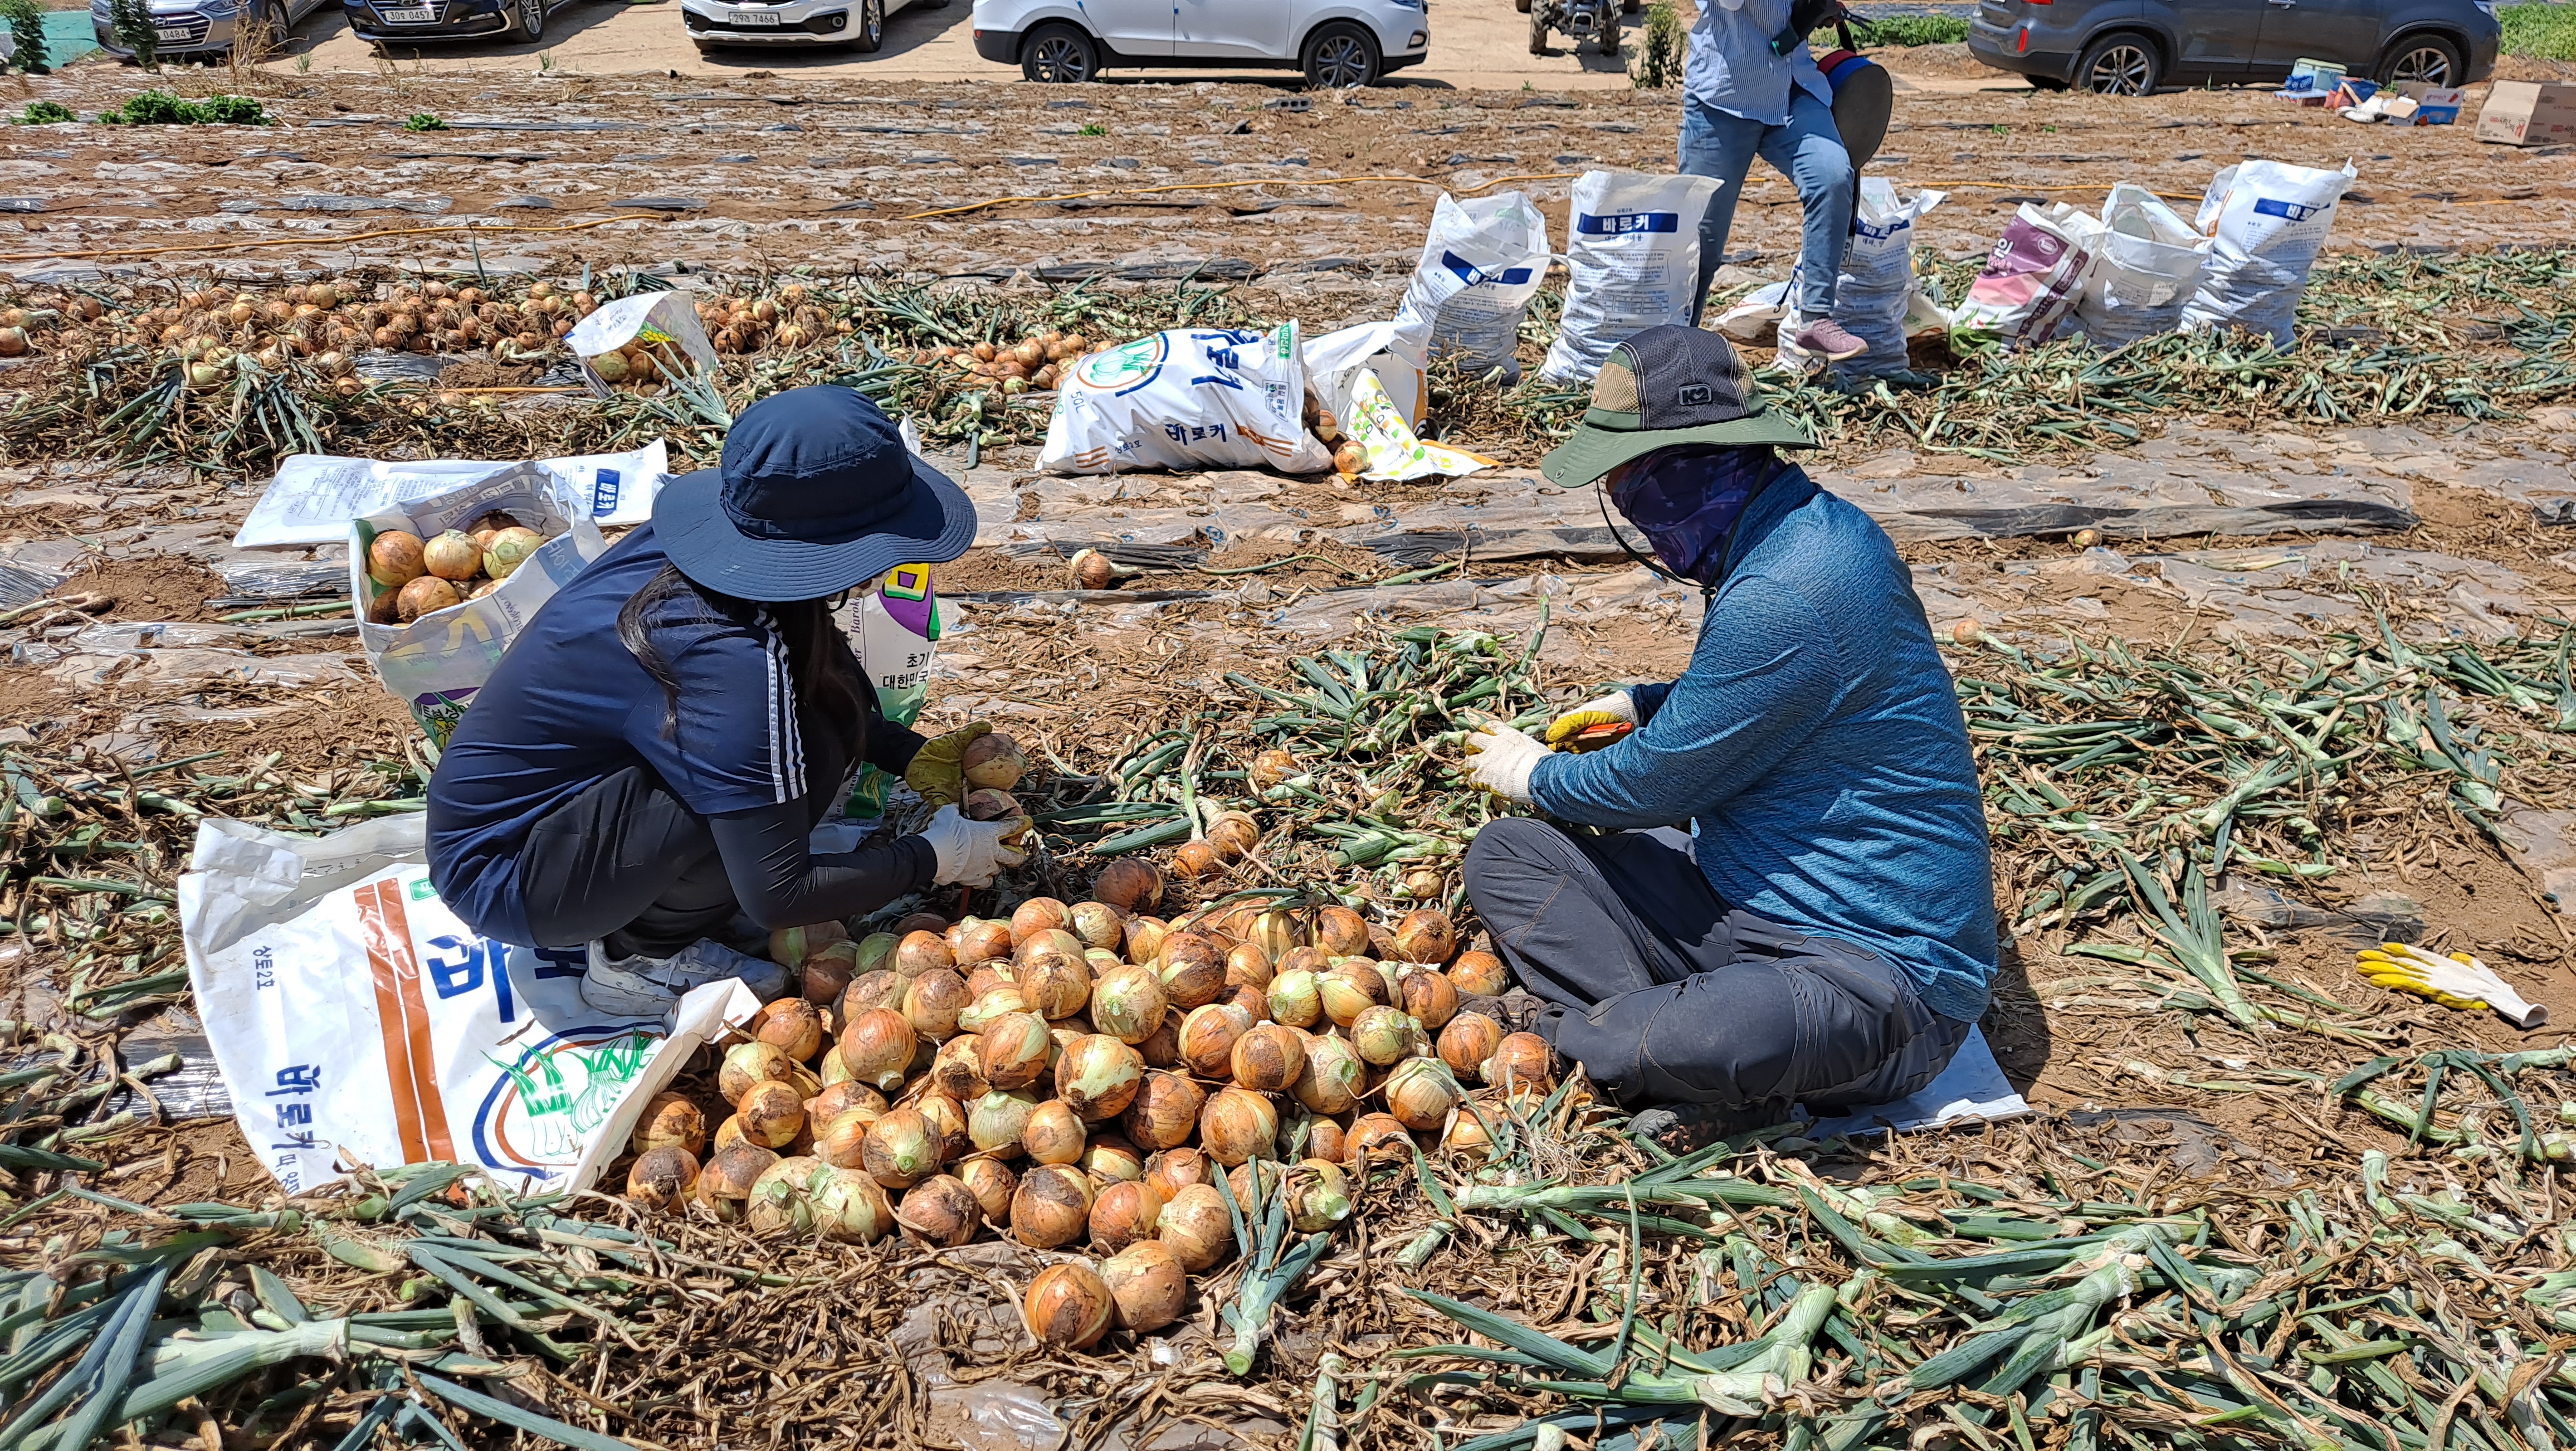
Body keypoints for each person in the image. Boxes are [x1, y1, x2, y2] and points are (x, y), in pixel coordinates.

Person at [1456, 327, 1994, 1147]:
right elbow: (1785, 698)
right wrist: (1645, 703)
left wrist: (1534, 773)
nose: (1629, 504)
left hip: (1877, 980)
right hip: (1745, 900)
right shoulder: (1791, 532)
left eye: (1633, 480)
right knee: (1510, 857)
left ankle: (1602, 1042)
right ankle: (1656, 1046)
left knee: (1703, 1031)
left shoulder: (1791, 582)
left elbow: (1652, 790)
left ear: (1695, 465)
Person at [426, 386, 1029, 1016]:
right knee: (793, 759)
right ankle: (640, 961)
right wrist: (935, 858)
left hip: (559, 817)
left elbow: (825, 675)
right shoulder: (727, 657)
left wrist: (910, 754)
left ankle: (676, 898)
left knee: (808, 738)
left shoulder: (708, 561)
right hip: (506, 873)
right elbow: (781, 896)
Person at [1680, 0, 1863, 369]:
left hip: (1793, 88)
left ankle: (1815, 318)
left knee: (1832, 175)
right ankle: (1677, 345)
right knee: (1702, 242)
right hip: (1725, 97)